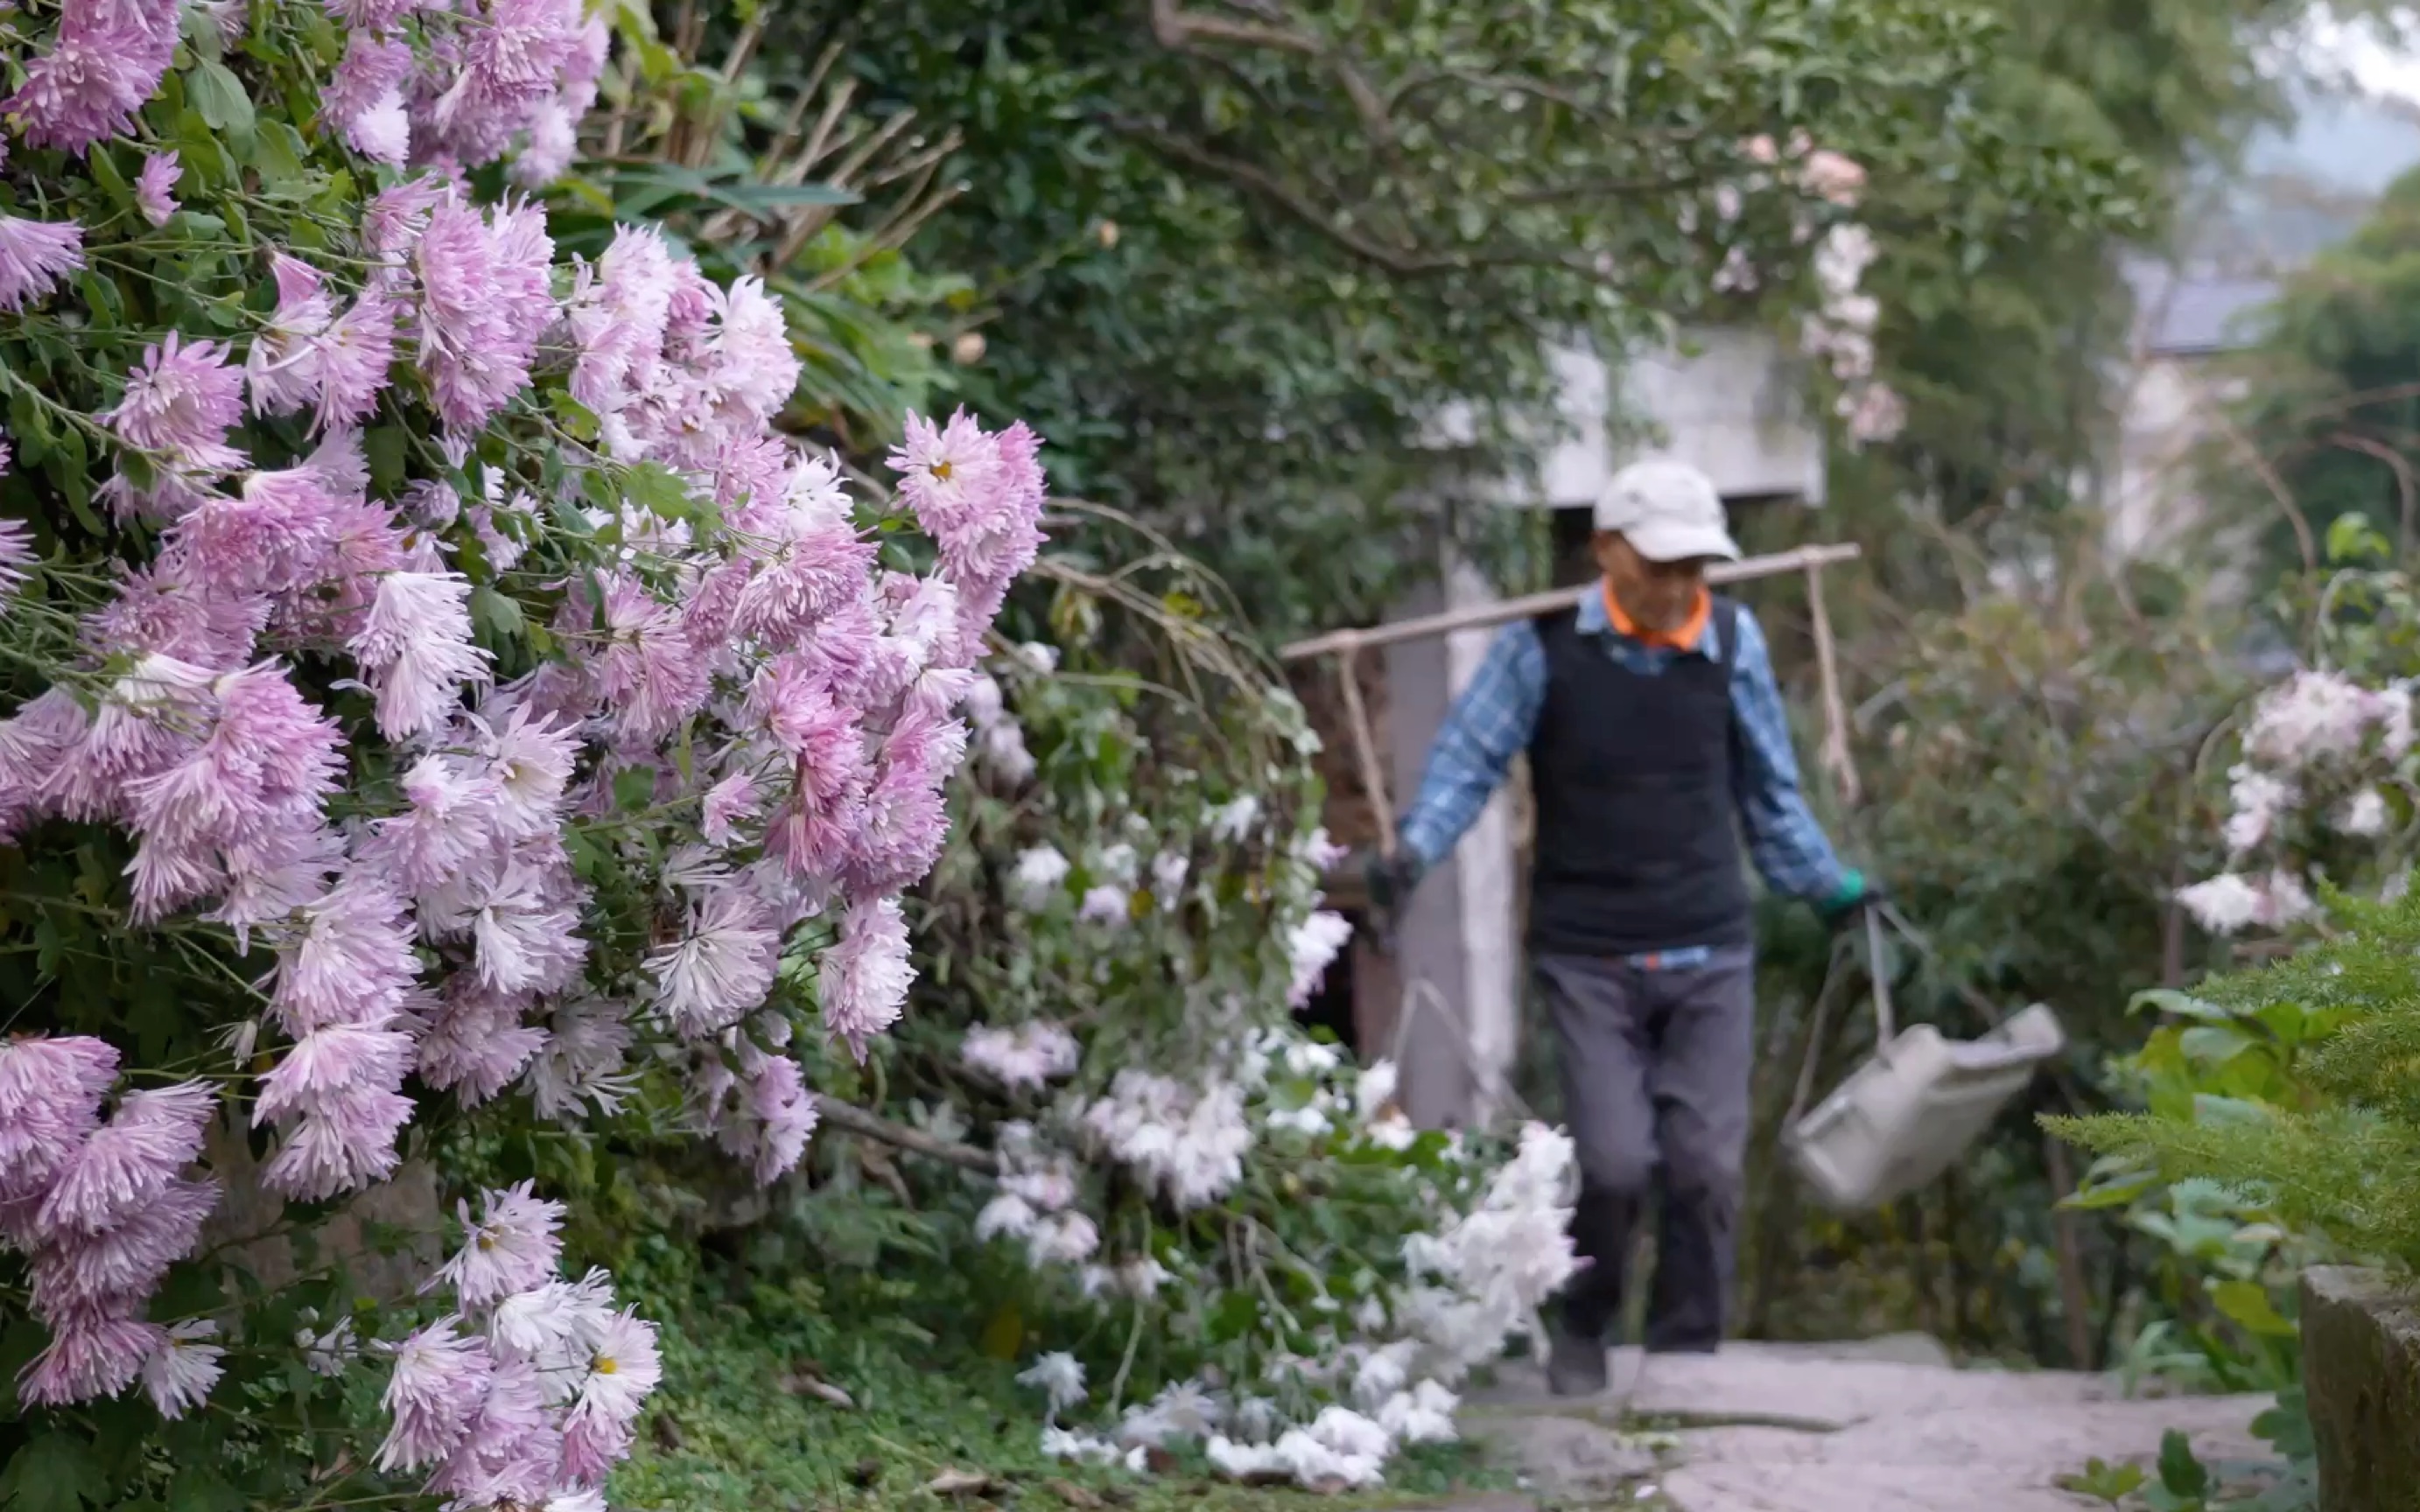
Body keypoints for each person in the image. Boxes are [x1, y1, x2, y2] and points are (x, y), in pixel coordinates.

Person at [1366, 458, 1876, 1395]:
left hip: (1708, 949)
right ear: (1607, 551)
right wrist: (1408, 856)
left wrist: (1829, 885)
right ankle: (1584, 1325)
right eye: (1659, 565)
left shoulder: (1730, 640)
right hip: (1586, 953)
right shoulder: (1542, 648)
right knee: (1609, 1163)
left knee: (1704, 1170)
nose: (1678, 585)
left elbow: (1769, 789)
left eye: (1694, 567)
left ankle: (1686, 1363)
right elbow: (1465, 762)